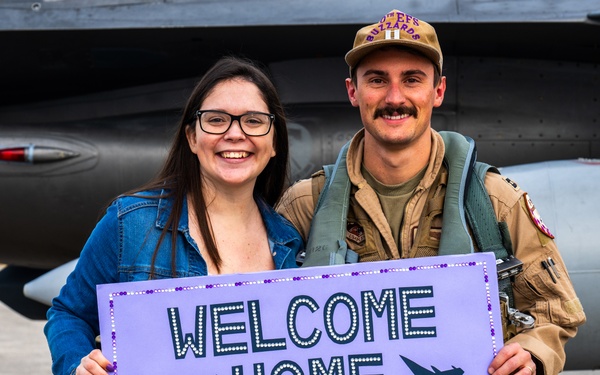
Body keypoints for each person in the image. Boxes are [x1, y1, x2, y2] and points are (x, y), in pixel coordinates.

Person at [276, 9, 585, 375]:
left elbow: (555, 310)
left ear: (437, 91)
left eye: (412, 79)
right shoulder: (305, 206)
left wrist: (530, 354)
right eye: (377, 80)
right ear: (352, 92)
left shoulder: (494, 200)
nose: (395, 97)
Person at [45, 56, 303, 375]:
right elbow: (69, 312)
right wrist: (77, 366)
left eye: (253, 120)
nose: (235, 134)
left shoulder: (290, 245)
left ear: (274, 141)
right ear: (192, 137)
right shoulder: (131, 223)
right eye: (217, 119)